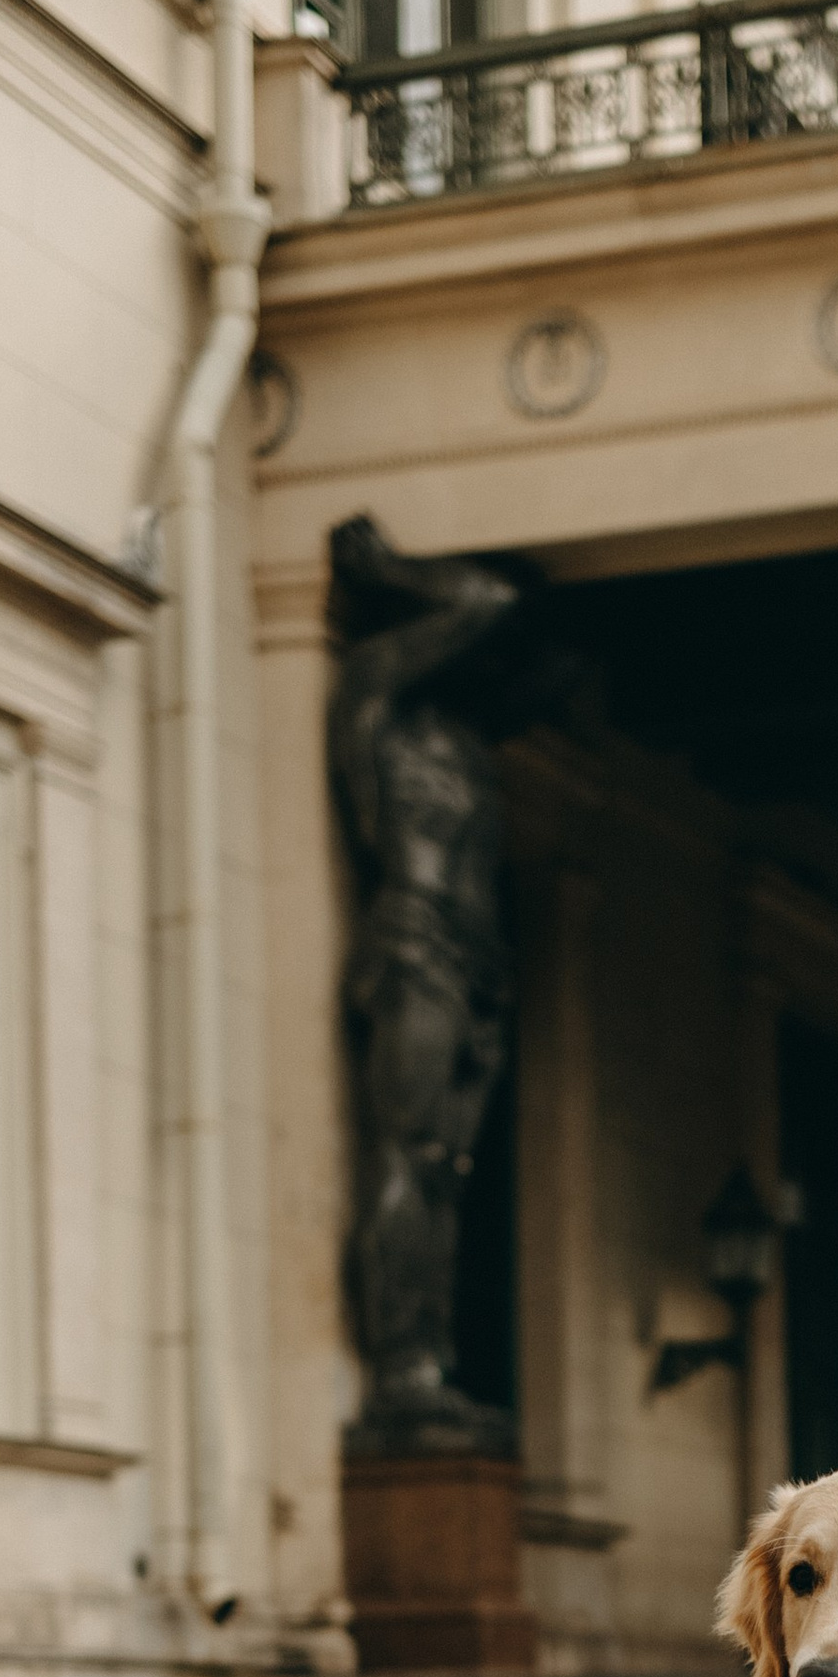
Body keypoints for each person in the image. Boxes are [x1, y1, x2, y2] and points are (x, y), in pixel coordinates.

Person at [328, 515, 539, 1449]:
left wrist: (495, 987)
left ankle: (431, 1360)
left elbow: (486, 880)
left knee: (449, 1173)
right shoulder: (376, 705)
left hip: (473, 958)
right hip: (411, 939)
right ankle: (400, 1365)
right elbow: (484, 598)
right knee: (406, 1154)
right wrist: (395, 569)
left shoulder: (468, 760)